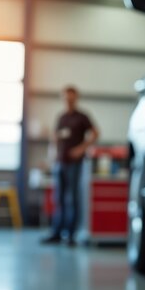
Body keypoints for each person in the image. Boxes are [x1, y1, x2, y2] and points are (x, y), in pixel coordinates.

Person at [41, 85, 99, 245]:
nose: (68, 101)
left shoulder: (82, 117)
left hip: (74, 164)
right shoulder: (61, 117)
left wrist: (81, 149)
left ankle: (71, 235)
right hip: (59, 163)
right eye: (65, 98)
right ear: (62, 98)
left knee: (72, 198)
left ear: (76, 98)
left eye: (71, 98)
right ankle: (57, 232)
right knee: (58, 198)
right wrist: (51, 156)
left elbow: (95, 133)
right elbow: (55, 139)